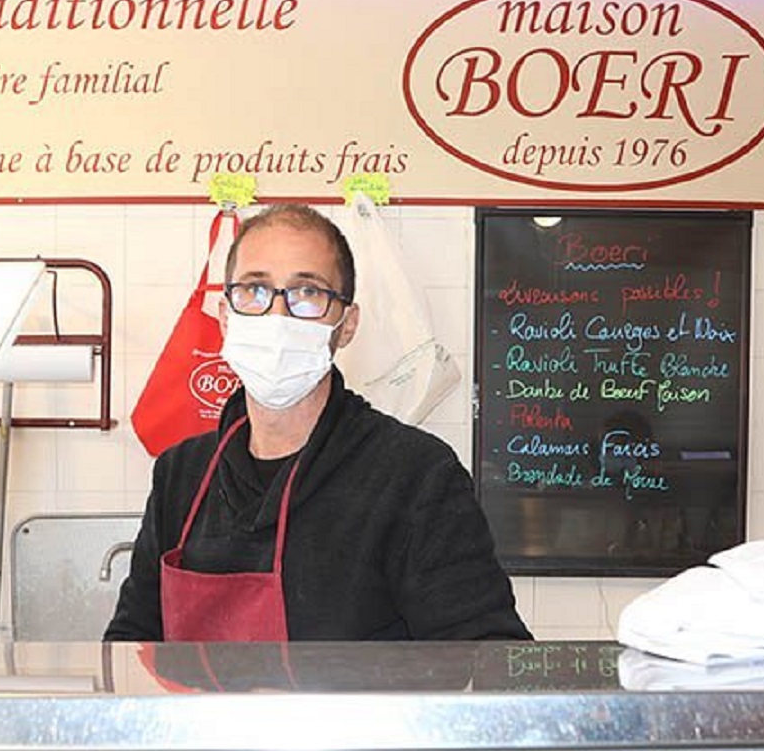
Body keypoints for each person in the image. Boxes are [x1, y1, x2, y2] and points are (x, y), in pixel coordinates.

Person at [106, 203, 528, 642]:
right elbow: (131, 645)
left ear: (346, 325)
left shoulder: (416, 477)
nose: (277, 316)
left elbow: (488, 659)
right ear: (225, 316)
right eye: (254, 290)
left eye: (307, 293)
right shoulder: (181, 474)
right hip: (198, 714)